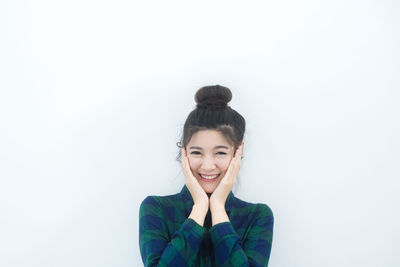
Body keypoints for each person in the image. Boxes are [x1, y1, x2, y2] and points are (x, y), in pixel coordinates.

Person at [139, 85, 274, 266]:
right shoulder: (156, 209)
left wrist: (217, 207)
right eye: (196, 152)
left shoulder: (257, 216)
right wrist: (200, 207)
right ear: (184, 153)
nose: (208, 166)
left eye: (220, 153)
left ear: (237, 154)